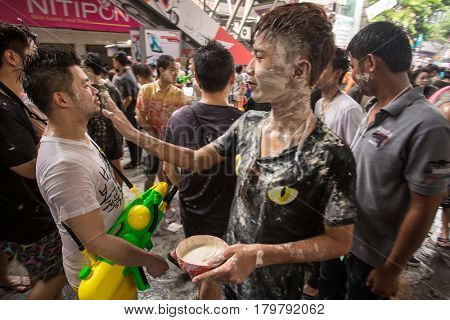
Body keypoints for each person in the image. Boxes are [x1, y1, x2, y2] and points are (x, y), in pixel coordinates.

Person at [104, 3, 358, 300]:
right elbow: (197, 160)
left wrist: (260, 255)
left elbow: (340, 242)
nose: (248, 68)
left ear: (299, 70)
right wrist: (134, 135)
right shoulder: (249, 123)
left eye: (260, 56)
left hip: (273, 295)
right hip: (226, 279)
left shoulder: (331, 155)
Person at [22, 47, 168, 294]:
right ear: (62, 99)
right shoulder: (64, 165)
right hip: (101, 277)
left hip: (117, 262)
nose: (94, 90)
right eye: (85, 85)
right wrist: (149, 259)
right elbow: (97, 242)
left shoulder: (76, 134)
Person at [347, 22, 450, 299]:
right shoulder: (372, 107)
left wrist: (392, 269)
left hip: (373, 261)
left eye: (353, 65)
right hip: (344, 242)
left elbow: (426, 205)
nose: (352, 73)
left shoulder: (429, 125)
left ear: (370, 62)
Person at [164, 41, 243, 299]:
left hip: (194, 209)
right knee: (228, 270)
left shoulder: (179, 118)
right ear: (232, 78)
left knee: (202, 269)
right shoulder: (244, 121)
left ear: (196, 79)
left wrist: (188, 187)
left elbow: (170, 169)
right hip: (231, 213)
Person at [0, 22, 66, 299]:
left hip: (13, 210)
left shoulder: (12, 99)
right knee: (55, 274)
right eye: (33, 51)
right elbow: (29, 166)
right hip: (25, 215)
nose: (36, 57)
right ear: (12, 57)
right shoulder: (3, 107)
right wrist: (58, 126)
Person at [136, 54, 187, 190]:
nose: (176, 73)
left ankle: (165, 204)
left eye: (177, 69)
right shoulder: (146, 90)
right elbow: (140, 116)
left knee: (168, 173)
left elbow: (182, 120)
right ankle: (148, 206)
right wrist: (154, 135)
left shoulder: (178, 94)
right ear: (161, 70)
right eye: (173, 69)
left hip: (170, 142)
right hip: (151, 140)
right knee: (149, 176)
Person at [81, 52, 124, 186]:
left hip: (111, 133)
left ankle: (119, 193)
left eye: (82, 67)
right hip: (92, 134)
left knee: (115, 165)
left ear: (89, 69)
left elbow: (120, 110)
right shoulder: (85, 89)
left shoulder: (108, 87)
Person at [314, 47, 362, 146]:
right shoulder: (319, 104)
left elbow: (354, 151)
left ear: (337, 73)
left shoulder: (350, 109)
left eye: (322, 68)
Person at [113, 51, 141, 170]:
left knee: (130, 136)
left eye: (114, 61)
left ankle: (135, 161)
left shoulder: (124, 77)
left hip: (128, 110)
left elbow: (128, 98)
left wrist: (120, 112)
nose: (113, 63)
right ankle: (137, 159)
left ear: (118, 62)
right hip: (132, 109)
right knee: (132, 135)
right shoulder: (128, 73)